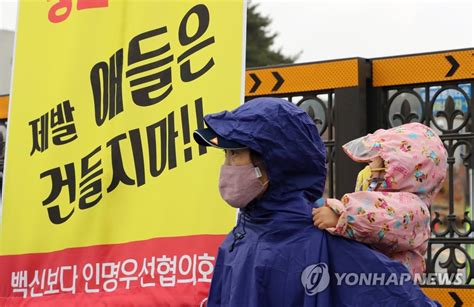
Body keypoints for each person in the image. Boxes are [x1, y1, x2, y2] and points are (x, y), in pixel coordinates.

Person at [194, 97, 438, 306]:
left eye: (235, 154)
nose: (227, 166)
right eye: (226, 154)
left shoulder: (326, 243)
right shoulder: (240, 236)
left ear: (275, 161)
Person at [312, 123, 447, 277]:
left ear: (397, 167)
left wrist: (342, 215)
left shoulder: (415, 209)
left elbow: (381, 218)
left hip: (393, 294)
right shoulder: (386, 199)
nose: (367, 170)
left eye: (373, 161)